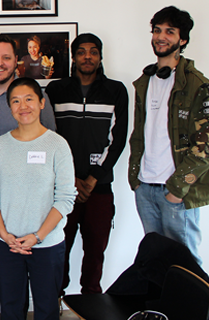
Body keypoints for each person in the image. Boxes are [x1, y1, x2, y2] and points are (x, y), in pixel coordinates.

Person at [0, 34, 55, 320]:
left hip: (19, 200)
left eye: (6, 57)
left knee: (17, 262)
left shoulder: (31, 99)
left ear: (16, 61)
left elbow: (50, 144)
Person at [0, 77, 77, 320]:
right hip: (6, 243)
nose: (23, 106)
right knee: (11, 308)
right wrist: (5, 235)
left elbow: (65, 198)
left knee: (46, 308)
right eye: (15, 101)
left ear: (42, 103)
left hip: (47, 243)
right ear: (9, 107)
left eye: (29, 99)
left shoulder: (58, 145)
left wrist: (38, 236)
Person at [46, 33, 129, 296]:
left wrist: (94, 177)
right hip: (62, 187)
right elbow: (50, 136)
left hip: (100, 188)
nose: (87, 56)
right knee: (58, 247)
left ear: (100, 56)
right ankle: (55, 301)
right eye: (81, 51)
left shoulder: (116, 91)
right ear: (74, 57)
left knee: (95, 252)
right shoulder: (56, 90)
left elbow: (118, 139)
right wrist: (69, 178)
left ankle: (91, 301)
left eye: (93, 51)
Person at [129, 6, 209, 265]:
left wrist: (178, 188)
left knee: (186, 266)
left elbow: (206, 146)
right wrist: (136, 180)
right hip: (145, 187)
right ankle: (161, 308)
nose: (161, 36)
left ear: (182, 40)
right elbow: (140, 134)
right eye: (157, 30)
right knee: (155, 262)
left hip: (176, 190)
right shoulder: (145, 81)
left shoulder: (197, 84)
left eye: (169, 31)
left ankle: (196, 308)